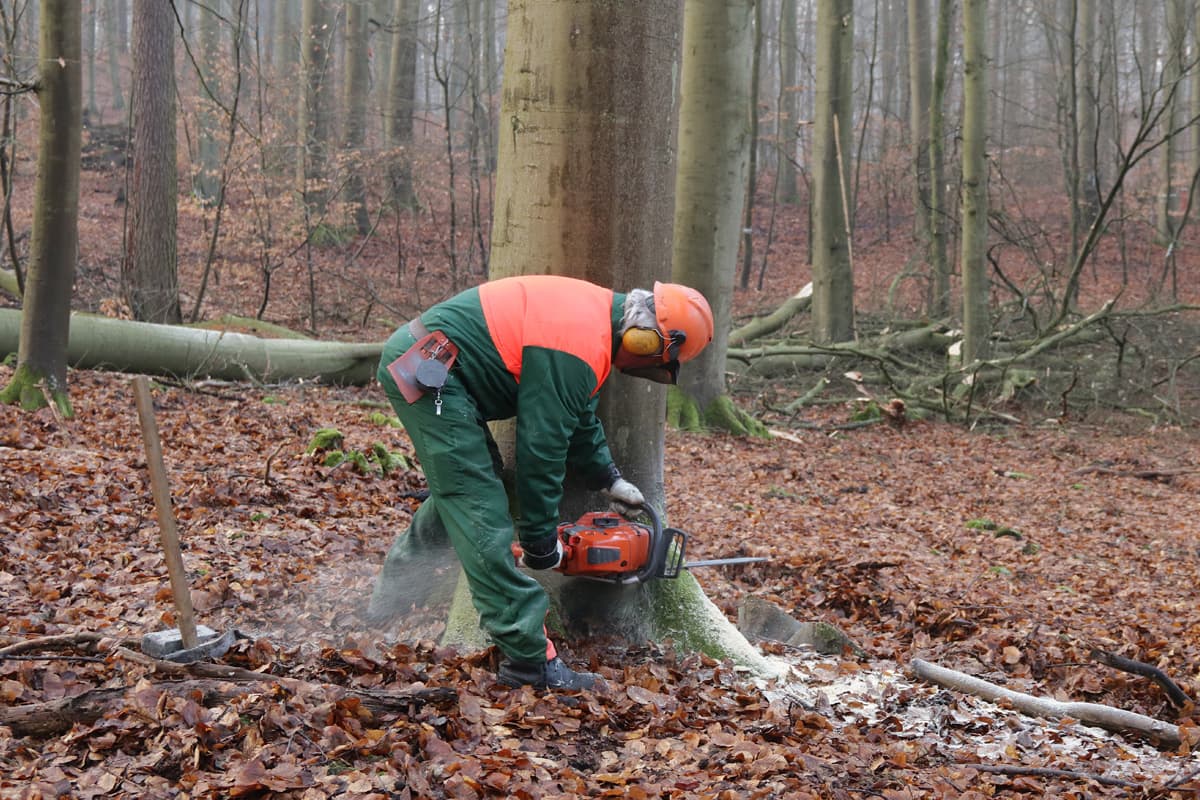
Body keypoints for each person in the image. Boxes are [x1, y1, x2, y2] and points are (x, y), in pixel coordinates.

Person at [368, 275, 714, 690]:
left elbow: (577, 415)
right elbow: (541, 447)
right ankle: (529, 659)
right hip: (429, 369)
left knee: (465, 487)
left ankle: (391, 594)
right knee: (477, 501)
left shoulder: (591, 329)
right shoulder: (576, 341)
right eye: (653, 361)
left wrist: (609, 479)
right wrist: (539, 541)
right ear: (646, 339)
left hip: (437, 364)